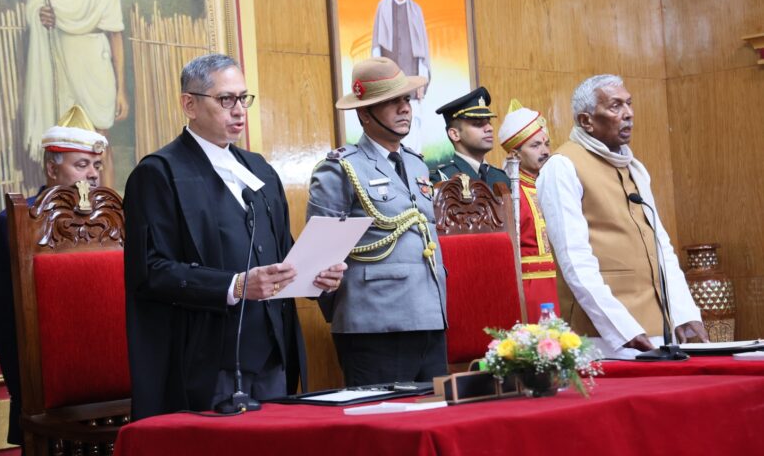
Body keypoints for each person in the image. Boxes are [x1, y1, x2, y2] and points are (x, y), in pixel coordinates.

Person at [123, 53, 346, 419]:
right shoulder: (158, 174)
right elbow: (151, 272)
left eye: (244, 98)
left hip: (273, 352)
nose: (239, 110)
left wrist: (316, 276)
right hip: (205, 358)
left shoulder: (259, 169)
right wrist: (235, 285)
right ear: (189, 104)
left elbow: (283, 253)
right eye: (226, 99)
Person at [537, 74, 708, 358]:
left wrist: (684, 313)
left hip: (660, 328)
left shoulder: (634, 167)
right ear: (586, 121)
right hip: (606, 337)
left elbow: (660, 246)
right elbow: (574, 260)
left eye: (628, 104)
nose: (628, 114)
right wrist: (622, 328)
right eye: (615, 106)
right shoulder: (562, 166)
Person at [307, 57, 447, 386]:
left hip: (429, 317)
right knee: (384, 425)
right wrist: (346, 310)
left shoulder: (416, 165)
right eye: (390, 102)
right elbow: (317, 261)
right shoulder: (341, 168)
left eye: (406, 100)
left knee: (435, 417)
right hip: (374, 326)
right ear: (364, 114)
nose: (404, 109)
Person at [0, 105, 107, 446]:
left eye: (96, 165)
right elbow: (4, 315)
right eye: (81, 165)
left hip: (107, 388)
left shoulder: (113, 224)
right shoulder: (12, 226)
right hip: (44, 391)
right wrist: (27, 394)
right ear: (52, 169)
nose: (93, 174)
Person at [23, 0, 127, 182]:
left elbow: (114, 31)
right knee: (65, 144)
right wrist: (40, 15)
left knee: (100, 141)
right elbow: (34, 8)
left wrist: (121, 89)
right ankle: (66, 218)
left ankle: (109, 214)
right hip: (60, 56)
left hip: (95, 59)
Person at [497, 99, 557, 322]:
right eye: (535, 146)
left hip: (560, 285)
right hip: (528, 287)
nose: (545, 151)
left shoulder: (554, 185)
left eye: (546, 144)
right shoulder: (507, 192)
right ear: (515, 154)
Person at [372, 0, 431, 153]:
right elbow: (376, 48)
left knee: (414, 128)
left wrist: (422, 80)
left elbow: (422, 52)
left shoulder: (416, 9)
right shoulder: (382, 6)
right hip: (389, 85)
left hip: (412, 81)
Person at [431, 87, 510, 191]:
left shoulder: (501, 178)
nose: (490, 128)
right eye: (478, 124)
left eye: (489, 123)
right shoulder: (443, 179)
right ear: (455, 134)